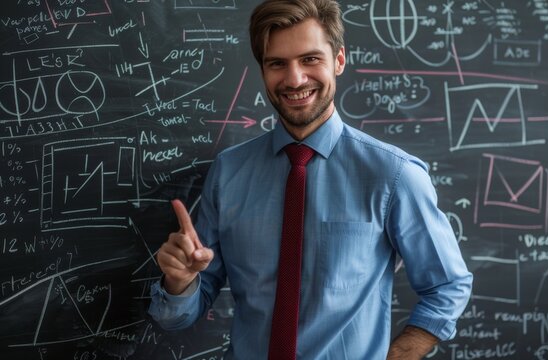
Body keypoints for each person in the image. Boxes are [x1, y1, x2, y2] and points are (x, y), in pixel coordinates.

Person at [148, 0, 473, 358]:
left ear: (339, 60)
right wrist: (179, 283)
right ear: (262, 70)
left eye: (310, 59)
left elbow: (448, 285)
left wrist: (398, 354)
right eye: (277, 64)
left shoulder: (394, 175)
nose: (294, 79)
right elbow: (181, 314)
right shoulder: (229, 172)